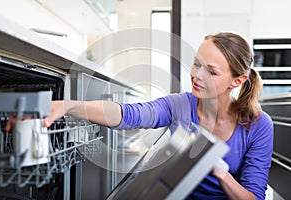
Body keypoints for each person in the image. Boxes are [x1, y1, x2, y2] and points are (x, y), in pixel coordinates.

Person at [42, 32, 273, 200]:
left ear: (237, 81)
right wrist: (67, 106)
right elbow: (128, 114)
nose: (197, 75)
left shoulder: (258, 125)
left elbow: (253, 197)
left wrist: (217, 168)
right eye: (196, 64)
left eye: (211, 71)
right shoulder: (179, 104)